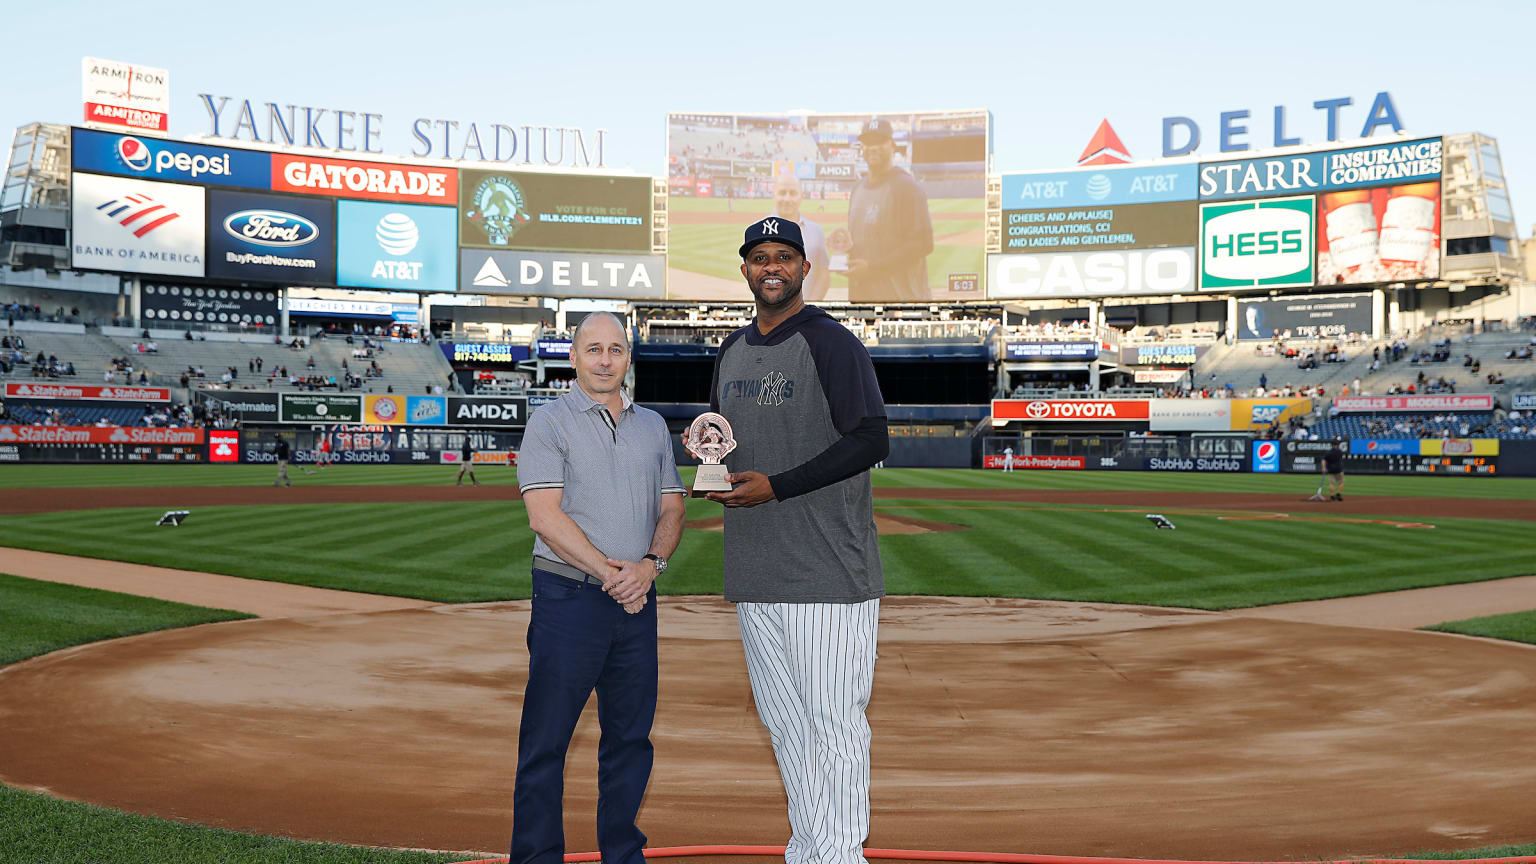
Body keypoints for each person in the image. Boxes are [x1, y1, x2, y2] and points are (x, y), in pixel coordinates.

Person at [707, 217, 889, 864]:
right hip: (755, 567)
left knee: (835, 726)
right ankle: (809, 852)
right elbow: (724, 440)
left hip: (827, 574)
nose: (772, 266)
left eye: (784, 255)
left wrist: (778, 487)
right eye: (760, 257)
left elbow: (872, 439)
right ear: (746, 269)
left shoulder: (832, 344)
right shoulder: (730, 350)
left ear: (805, 268)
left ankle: (841, 856)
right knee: (788, 729)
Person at [510, 310, 686, 864]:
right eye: (594, 349)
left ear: (628, 356)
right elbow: (544, 516)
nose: (605, 359)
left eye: (615, 349)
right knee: (546, 742)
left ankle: (622, 854)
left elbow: (673, 505)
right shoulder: (549, 422)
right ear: (574, 356)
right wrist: (613, 574)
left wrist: (650, 564)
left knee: (630, 740)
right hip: (570, 599)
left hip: (637, 601)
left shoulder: (653, 426)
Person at [846, 118, 933, 303]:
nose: (873, 147)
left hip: (900, 301)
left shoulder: (906, 186)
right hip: (862, 300)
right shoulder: (857, 189)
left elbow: (922, 243)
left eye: (879, 141)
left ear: (892, 145)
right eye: (868, 142)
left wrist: (872, 269)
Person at [769, 173, 830, 302]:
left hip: (807, 316)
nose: (787, 198)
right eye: (782, 192)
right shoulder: (757, 231)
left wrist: (809, 311)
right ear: (773, 195)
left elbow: (824, 274)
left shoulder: (815, 231)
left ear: (801, 197)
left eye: (792, 193)